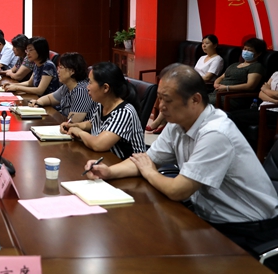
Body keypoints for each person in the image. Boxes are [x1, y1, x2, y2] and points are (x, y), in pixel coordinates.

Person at [84, 64, 278, 259]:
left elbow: (178, 190)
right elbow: (147, 159)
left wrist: (149, 172)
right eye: (159, 98)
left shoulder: (215, 133)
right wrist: (109, 171)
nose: (160, 106)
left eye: (167, 100)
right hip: (209, 217)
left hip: (247, 228)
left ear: (195, 100)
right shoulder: (177, 123)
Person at [61, 62, 145, 159]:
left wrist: (79, 132)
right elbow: (93, 123)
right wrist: (74, 126)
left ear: (105, 88)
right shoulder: (102, 104)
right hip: (104, 159)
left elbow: (99, 144)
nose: (87, 87)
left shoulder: (124, 112)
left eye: (90, 83)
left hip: (127, 164)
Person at [147, 34, 225, 134]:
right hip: (191, 83)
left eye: (207, 43)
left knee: (173, 94)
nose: (204, 46)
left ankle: (158, 122)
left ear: (215, 45)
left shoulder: (218, 59)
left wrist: (189, 79)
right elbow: (194, 72)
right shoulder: (202, 57)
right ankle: (162, 122)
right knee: (166, 91)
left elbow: (207, 77)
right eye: (202, 43)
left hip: (202, 86)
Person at [29, 52, 95, 123]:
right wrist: (37, 103)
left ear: (72, 71)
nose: (58, 71)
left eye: (61, 67)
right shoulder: (66, 87)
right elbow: (49, 98)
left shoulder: (81, 91)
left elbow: (72, 121)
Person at [210, 37, 266, 109]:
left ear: (258, 53)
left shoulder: (256, 66)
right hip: (217, 94)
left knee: (202, 104)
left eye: (250, 50)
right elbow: (222, 77)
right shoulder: (234, 64)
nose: (246, 51)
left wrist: (227, 88)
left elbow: (250, 86)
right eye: (245, 49)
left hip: (232, 97)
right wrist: (216, 84)